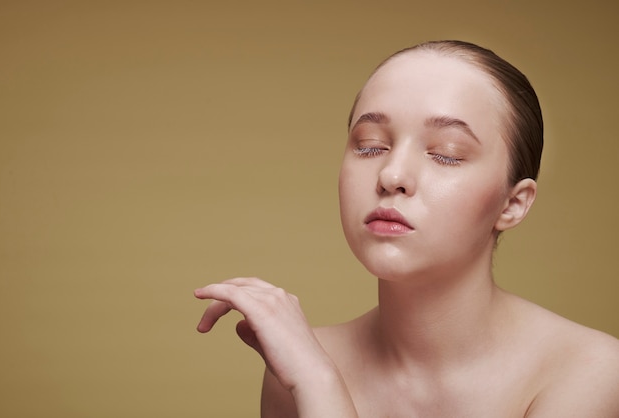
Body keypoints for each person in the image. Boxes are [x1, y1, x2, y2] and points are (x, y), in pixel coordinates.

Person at [194, 40, 619, 417]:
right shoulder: (297, 363)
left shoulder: (591, 371)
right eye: (370, 146)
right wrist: (313, 375)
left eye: (447, 154)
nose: (391, 174)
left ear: (512, 204)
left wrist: (322, 388)